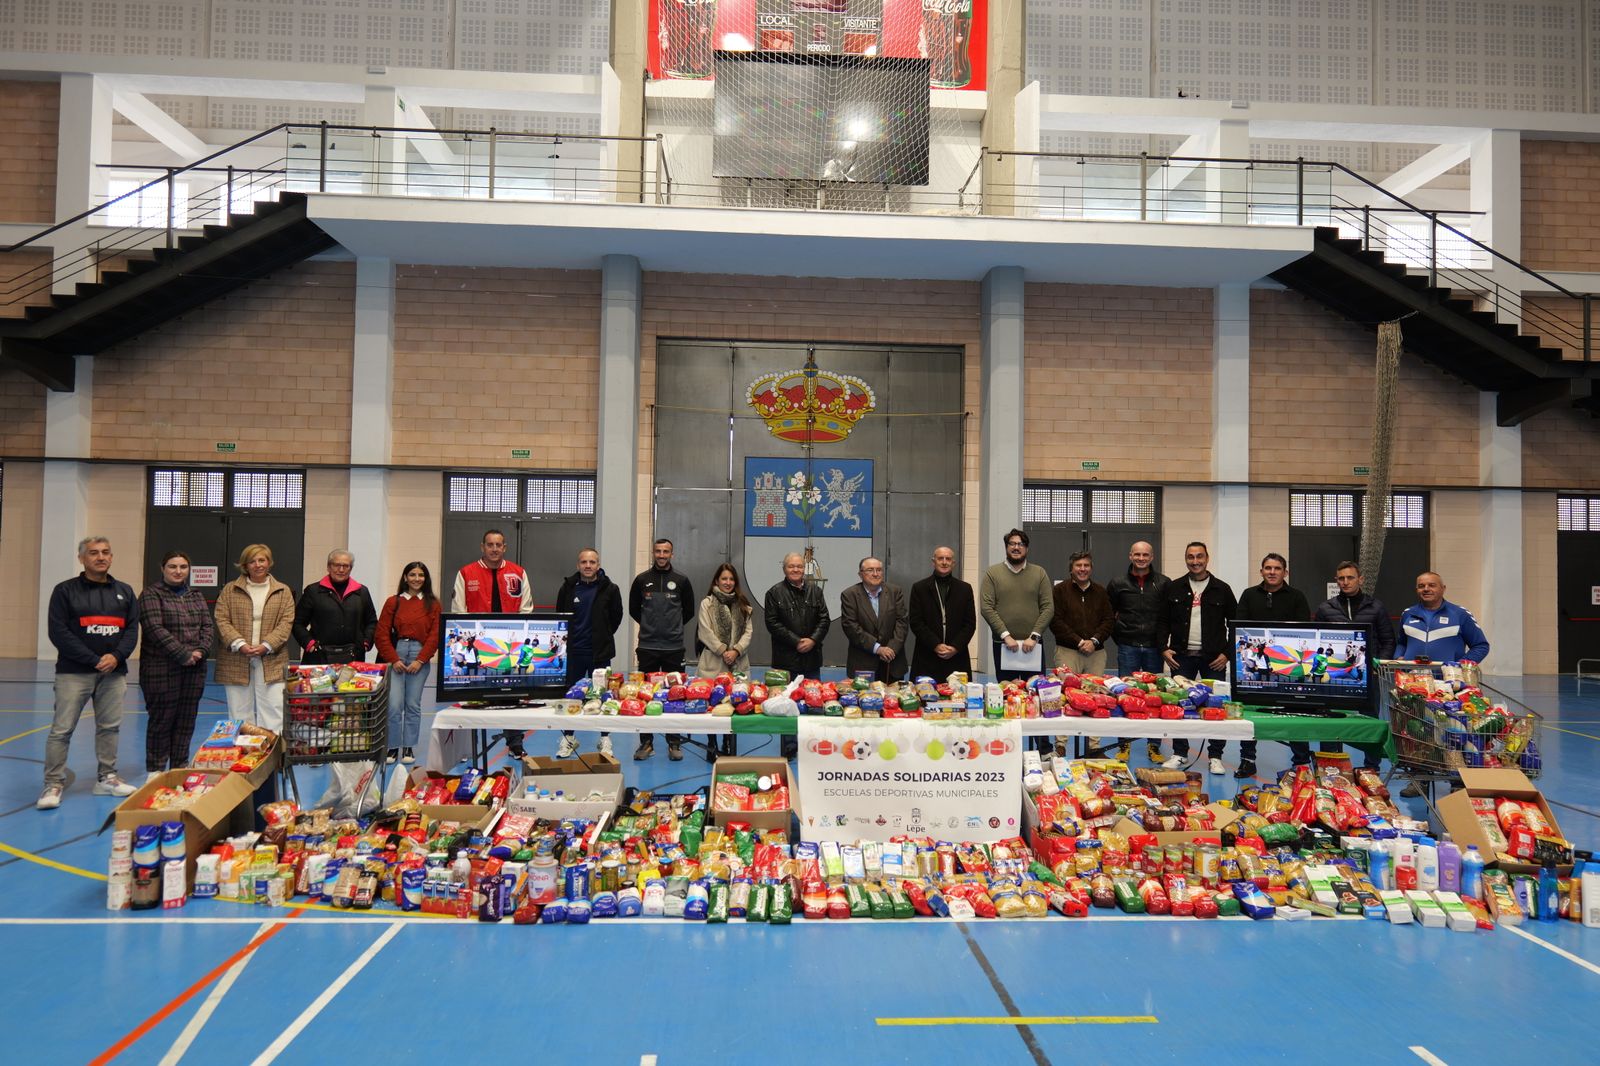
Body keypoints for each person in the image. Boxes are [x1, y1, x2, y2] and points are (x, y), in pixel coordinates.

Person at [38, 536, 140, 809]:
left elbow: (132, 630)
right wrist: (94, 660)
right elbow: (58, 632)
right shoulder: (65, 591)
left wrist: (116, 657)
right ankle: (53, 784)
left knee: (110, 728)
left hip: (114, 674)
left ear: (111, 557)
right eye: (93, 553)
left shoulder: (125, 591)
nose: (100, 557)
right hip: (73, 673)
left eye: (105, 552)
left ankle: (107, 778)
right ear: (82, 558)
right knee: (62, 730)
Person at [451, 529, 534, 758]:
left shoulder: (518, 573)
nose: (494, 549)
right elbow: (459, 610)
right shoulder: (466, 573)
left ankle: (515, 743)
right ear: (482, 547)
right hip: (478, 646)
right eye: (490, 544)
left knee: (512, 694)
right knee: (474, 694)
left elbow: (526, 609)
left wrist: (517, 640)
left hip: (508, 647)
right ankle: (468, 747)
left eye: (498, 545)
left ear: (504, 547)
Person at [1156, 542, 1237, 774]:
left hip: (1214, 659)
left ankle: (1216, 756)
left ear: (1207, 558)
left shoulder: (1222, 589)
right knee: (1179, 705)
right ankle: (1179, 753)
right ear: (1186, 559)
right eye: (1190, 557)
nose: (1195, 561)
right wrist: (1163, 648)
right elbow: (1162, 621)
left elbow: (1235, 624)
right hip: (1181, 658)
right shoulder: (1174, 588)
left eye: (1199, 556)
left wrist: (1227, 654)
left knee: (1217, 706)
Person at [137, 550, 215, 780]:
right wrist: (183, 654)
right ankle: (156, 769)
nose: (178, 571)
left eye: (183, 567)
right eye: (172, 566)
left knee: (186, 720)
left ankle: (180, 765)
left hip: (194, 669)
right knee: (162, 720)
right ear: (163, 569)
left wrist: (201, 651)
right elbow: (154, 629)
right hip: (161, 669)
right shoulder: (151, 594)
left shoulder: (196, 595)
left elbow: (207, 627)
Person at [1233, 552, 1312, 779]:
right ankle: (1248, 760)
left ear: (1285, 572)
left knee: (1296, 713)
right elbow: (1240, 626)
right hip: (1257, 664)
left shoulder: (1297, 596)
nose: (1272, 572)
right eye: (1268, 568)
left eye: (1277, 568)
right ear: (1261, 571)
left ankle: (1301, 764)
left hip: (1286, 665)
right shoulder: (1249, 595)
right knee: (1250, 712)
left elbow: (1303, 629)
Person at [214, 544, 295, 734]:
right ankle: (245, 750)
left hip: (272, 659)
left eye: (262, 560)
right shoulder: (230, 590)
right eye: (252, 561)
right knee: (239, 713)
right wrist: (240, 644)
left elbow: (286, 623)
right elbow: (221, 619)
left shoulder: (283, 591)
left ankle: (273, 750)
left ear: (269, 562)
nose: (258, 565)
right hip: (236, 659)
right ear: (245, 565)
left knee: (274, 710)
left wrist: (266, 645)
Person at [554, 548, 624, 759]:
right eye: (584, 562)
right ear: (578, 565)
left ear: (598, 565)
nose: (588, 566)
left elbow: (616, 617)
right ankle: (568, 737)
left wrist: (603, 635)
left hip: (600, 653)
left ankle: (605, 738)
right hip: (574, 653)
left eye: (592, 562)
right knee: (570, 697)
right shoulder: (568, 588)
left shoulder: (610, 589)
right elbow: (560, 615)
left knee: (602, 696)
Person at [1107, 540, 1171, 765]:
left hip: (1154, 648)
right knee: (1125, 695)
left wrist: (1162, 644)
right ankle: (1123, 744)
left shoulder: (1163, 583)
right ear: (1130, 556)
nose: (1141, 558)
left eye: (1145, 555)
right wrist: (1120, 637)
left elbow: (1168, 616)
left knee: (1155, 698)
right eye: (1137, 554)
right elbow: (1109, 614)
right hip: (1128, 647)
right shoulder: (1117, 583)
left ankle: (1154, 746)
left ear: (1151, 557)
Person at [630, 538, 695, 762]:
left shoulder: (681, 580)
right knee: (645, 694)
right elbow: (634, 610)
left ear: (671, 554)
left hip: (673, 647)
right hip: (647, 646)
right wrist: (651, 626)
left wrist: (671, 627)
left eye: (666, 551)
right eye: (658, 551)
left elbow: (688, 611)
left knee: (674, 695)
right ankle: (646, 742)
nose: (661, 555)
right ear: (653, 553)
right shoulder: (641, 580)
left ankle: (674, 742)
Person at [1051, 550, 1117, 760]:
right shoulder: (1059, 591)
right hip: (1067, 651)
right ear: (1071, 568)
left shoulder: (1100, 592)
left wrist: (1094, 640)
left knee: (1096, 698)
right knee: (1065, 696)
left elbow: (1109, 620)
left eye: (1086, 565)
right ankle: (1060, 745)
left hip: (1096, 653)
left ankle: (1094, 747)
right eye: (1078, 565)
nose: (1082, 569)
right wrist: (1079, 641)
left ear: (1091, 568)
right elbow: (1055, 621)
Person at [765, 551, 831, 758]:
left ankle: (812, 744)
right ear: (784, 569)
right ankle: (790, 746)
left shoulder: (816, 591)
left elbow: (824, 619)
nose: (796, 569)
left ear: (804, 569)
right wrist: (796, 642)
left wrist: (813, 640)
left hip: (812, 659)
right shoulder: (774, 593)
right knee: (786, 704)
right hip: (786, 660)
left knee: (814, 702)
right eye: (791, 566)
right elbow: (772, 624)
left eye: (799, 566)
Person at [376, 561, 442, 766]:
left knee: (412, 704)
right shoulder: (393, 602)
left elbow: (435, 635)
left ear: (425, 578)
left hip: (419, 655)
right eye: (412, 575)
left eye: (420, 575)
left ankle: (408, 746)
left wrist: (421, 660)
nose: (416, 579)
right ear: (405, 577)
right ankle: (393, 746)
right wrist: (393, 659)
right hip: (396, 653)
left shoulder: (433, 604)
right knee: (394, 705)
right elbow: (381, 633)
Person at [979, 528, 1053, 682]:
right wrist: (1006, 636)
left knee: (1035, 690)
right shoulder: (992, 573)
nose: (1016, 547)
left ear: (1027, 548)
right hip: (1003, 644)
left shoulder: (1039, 573)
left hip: (1033, 645)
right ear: (1006, 547)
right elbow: (986, 607)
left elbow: (1048, 608)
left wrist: (1034, 636)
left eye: (1020, 544)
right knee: (1007, 690)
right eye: (1012, 544)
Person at [698, 562, 755, 756]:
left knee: (735, 702)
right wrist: (723, 650)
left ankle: (729, 743)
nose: (728, 582)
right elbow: (705, 631)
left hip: (738, 661)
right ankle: (711, 744)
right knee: (713, 704)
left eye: (731, 579)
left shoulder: (743, 605)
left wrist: (736, 651)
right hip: (713, 661)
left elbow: (748, 632)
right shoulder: (707, 604)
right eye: (724, 578)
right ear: (717, 580)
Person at [293, 549, 378, 664]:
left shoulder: (362, 592)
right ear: (328, 567)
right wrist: (309, 643)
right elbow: (297, 622)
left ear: (351, 568)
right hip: (318, 658)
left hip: (354, 657)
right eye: (337, 565)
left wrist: (366, 642)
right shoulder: (313, 591)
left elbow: (372, 622)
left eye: (346, 566)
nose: (341, 570)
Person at [907, 545, 976, 680]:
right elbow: (916, 622)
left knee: (958, 693)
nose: (944, 562)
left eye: (948, 559)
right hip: (927, 654)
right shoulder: (919, 588)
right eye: (940, 558)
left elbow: (970, 624)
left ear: (953, 563)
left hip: (957, 655)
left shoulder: (965, 589)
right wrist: (936, 645)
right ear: (933, 562)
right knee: (925, 693)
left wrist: (955, 647)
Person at [1395, 571, 1491, 664]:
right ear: (1417, 590)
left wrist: (1460, 665)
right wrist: (1398, 656)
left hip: (1448, 675)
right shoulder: (1408, 613)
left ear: (1443, 588)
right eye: (1421, 586)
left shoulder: (1460, 614)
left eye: (1432, 585)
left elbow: (1481, 646)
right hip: (1412, 674)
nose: (1426, 589)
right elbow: (1402, 643)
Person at [839, 557, 909, 682]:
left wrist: (891, 649)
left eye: (879, 570)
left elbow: (902, 622)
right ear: (860, 574)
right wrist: (878, 649)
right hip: (863, 664)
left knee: (894, 695)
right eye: (870, 570)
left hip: (892, 662)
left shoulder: (894, 592)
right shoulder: (849, 595)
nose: (875, 574)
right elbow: (851, 627)